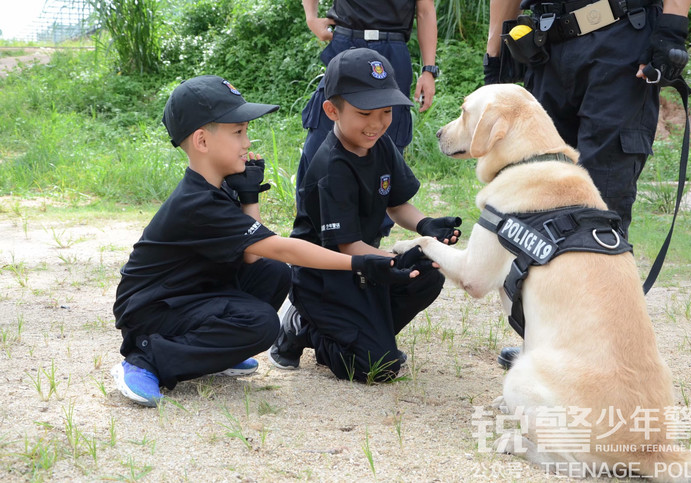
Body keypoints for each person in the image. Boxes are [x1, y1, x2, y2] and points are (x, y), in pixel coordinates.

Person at [111, 75, 419, 407]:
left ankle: (212, 354)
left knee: (272, 273)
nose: (246, 142)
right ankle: (146, 359)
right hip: (151, 311)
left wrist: (248, 196)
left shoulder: (220, 186)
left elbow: (253, 257)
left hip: (186, 296)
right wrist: (360, 263)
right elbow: (280, 246)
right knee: (260, 323)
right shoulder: (197, 202)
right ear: (201, 140)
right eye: (237, 132)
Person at [483, 0, 691, 369]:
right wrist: (496, 45)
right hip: (545, 44)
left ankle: (599, 352)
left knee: (601, 203)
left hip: (620, 37)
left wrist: (672, 29)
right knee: (539, 198)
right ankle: (546, 342)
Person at [268, 49, 462, 382]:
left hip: (364, 263)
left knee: (427, 274)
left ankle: (361, 336)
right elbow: (347, 247)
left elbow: (396, 205)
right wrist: (397, 259)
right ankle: (303, 326)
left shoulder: (380, 144)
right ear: (332, 110)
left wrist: (425, 226)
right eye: (364, 113)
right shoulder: (332, 167)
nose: (376, 124)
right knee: (377, 368)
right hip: (326, 277)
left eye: (386, 111)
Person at [298, 0, 439, 237]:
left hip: (392, 48)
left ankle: (370, 242)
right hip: (346, 43)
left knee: (383, 145)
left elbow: (425, 11)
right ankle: (309, 238)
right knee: (320, 142)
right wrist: (311, 17)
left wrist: (429, 69)